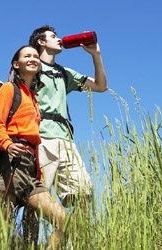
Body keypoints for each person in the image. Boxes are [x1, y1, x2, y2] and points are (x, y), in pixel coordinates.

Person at [24, 25, 108, 244]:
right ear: (41, 42)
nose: (59, 39)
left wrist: (96, 55)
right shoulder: (32, 66)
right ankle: (28, 245)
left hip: (66, 142)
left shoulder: (63, 73)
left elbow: (100, 86)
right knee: (38, 200)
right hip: (40, 139)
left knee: (83, 194)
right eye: (53, 36)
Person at [0, 45, 66, 249]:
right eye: (27, 56)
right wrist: (7, 144)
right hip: (9, 164)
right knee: (0, 233)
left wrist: (37, 169)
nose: (33, 58)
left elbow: (34, 139)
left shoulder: (34, 99)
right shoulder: (8, 89)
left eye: (35, 56)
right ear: (16, 64)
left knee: (62, 219)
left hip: (30, 168)